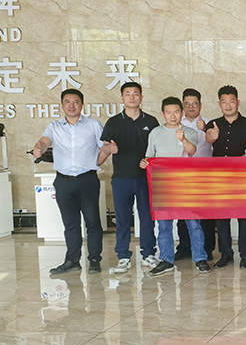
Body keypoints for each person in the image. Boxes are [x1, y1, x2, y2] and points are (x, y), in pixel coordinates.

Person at [32, 89, 105, 275]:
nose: (71, 105)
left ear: (82, 105)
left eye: (76, 102)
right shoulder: (54, 126)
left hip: (87, 179)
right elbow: (44, 141)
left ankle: (94, 259)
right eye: (67, 102)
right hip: (64, 181)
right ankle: (72, 260)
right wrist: (39, 147)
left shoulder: (93, 125)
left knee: (92, 222)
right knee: (70, 224)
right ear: (62, 105)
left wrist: (99, 160)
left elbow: (104, 148)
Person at [140, 97, 209, 275]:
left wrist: (183, 139)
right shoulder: (155, 133)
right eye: (168, 112)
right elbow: (150, 156)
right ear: (163, 114)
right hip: (163, 184)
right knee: (164, 225)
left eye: (176, 112)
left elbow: (192, 151)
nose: (172, 116)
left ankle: (200, 258)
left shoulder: (189, 131)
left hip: (185, 183)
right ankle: (166, 259)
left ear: (182, 113)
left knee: (193, 223)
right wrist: (145, 162)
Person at [97, 82, 159, 274]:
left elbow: (157, 149)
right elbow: (105, 147)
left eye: (135, 93)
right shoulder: (114, 122)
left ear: (141, 97)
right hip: (121, 178)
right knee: (123, 219)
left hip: (145, 178)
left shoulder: (151, 121)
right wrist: (110, 149)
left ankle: (148, 254)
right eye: (128, 94)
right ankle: (123, 256)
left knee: (147, 218)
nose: (132, 97)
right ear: (122, 98)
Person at [206, 85, 246, 269]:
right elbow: (208, 139)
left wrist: (240, 160)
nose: (228, 105)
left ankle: (245, 255)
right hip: (219, 177)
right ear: (219, 104)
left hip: (242, 176)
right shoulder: (213, 124)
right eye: (224, 102)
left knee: (244, 217)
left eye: (231, 101)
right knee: (222, 217)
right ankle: (226, 254)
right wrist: (212, 135)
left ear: (238, 102)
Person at [175, 88, 216, 262]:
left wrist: (205, 129)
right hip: (182, 174)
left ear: (200, 105)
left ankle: (207, 249)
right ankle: (184, 248)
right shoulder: (176, 124)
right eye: (187, 104)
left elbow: (214, 142)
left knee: (206, 215)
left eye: (194, 103)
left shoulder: (208, 123)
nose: (191, 107)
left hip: (205, 174)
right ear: (183, 105)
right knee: (183, 214)